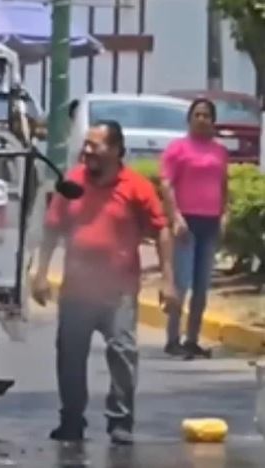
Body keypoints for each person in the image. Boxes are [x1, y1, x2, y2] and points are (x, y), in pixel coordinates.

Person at [31, 121, 177, 445]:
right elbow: (52, 229)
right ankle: (71, 420)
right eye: (85, 145)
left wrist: (168, 281)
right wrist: (40, 273)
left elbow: (162, 229)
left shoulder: (136, 187)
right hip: (77, 290)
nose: (86, 151)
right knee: (69, 355)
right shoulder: (71, 183)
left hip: (118, 290)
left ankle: (121, 421)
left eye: (95, 145)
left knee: (123, 352)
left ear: (115, 150)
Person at [159, 98, 229, 359]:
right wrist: (175, 216)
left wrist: (225, 214)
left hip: (210, 223)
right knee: (182, 282)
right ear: (189, 119)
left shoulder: (219, 151)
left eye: (207, 115)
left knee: (202, 287)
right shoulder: (177, 149)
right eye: (197, 115)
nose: (202, 119)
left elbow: (223, 185)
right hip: (186, 223)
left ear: (213, 121)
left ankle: (192, 339)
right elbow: (167, 185)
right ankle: (172, 338)